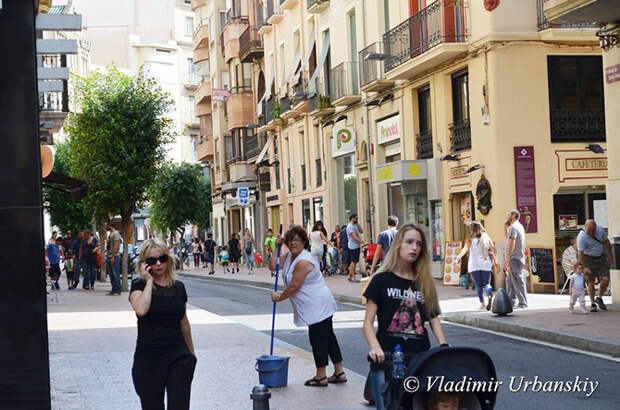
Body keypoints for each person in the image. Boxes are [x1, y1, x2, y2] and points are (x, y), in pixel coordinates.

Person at [363, 224, 447, 409]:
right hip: (387, 358)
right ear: (398, 244)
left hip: (419, 359)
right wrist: (375, 348)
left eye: (418, 244)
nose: (414, 247)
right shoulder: (381, 280)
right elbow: (368, 323)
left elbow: (433, 318)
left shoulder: (424, 281)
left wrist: (443, 346)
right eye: (409, 242)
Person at [270, 226, 346, 387]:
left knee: (318, 339)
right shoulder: (289, 255)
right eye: (290, 240)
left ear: (304, 242)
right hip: (313, 305)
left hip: (318, 304)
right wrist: (277, 247)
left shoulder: (304, 260)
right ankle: (339, 372)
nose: (293, 243)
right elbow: (272, 266)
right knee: (328, 337)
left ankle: (321, 376)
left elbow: (294, 286)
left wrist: (279, 297)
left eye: (297, 240)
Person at [129, 239, 196, 410]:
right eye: (152, 261)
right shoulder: (139, 285)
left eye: (162, 258)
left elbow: (184, 322)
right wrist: (149, 281)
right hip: (148, 360)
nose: (158, 264)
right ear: (144, 263)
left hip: (178, 357)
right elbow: (141, 310)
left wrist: (191, 355)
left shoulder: (179, 287)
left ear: (169, 258)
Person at [455, 221, 496, 310]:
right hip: (486, 263)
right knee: (487, 284)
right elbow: (493, 248)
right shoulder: (486, 236)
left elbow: (465, 249)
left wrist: (458, 257)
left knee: (478, 285)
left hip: (474, 265)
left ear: (471, 229)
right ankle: (489, 295)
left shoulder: (470, 238)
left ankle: (483, 304)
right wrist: (493, 259)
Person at [577, 219, 612, 312]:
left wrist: (610, 255)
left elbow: (606, 242)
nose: (592, 233)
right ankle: (592, 303)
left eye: (593, 230)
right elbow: (580, 254)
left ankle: (599, 298)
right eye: (589, 231)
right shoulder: (581, 237)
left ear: (596, 227)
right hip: (588, 259)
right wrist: (583, 268)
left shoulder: (600, 230)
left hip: (601, 257)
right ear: (585, 228)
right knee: (590, 281)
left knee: (606, 279)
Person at [503, 210, 528, 308]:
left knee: (517, 281)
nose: (507, 216)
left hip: (514, 258)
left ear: (513, 216)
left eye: (508, 214)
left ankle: (523, 303)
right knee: (510, 282)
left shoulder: (514, 227)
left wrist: (507, 259)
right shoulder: (518, 226)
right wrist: (505, 228)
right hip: (516, 257)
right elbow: (509, 240)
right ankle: (510, 302)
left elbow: (511, 244)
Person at [347, 214, 366, 282]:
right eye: (356, 218)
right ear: (352, 218)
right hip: (353, 246)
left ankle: (350, 276)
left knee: (354, 261)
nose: (357, 220)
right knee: (353, 262)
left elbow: (361, 231)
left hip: (356, 246)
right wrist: (363, 242)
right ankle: (353, 277)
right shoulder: (350, 226)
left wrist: (358, 224)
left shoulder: (355, 225)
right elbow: (354, 237)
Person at [105, 222, 122, 296]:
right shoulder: (110, 234)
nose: (106, 226)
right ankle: (113, 289)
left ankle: (118, 290)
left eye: (107, 225)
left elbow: (116, 246)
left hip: (114, 256)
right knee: (111, 274)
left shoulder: (116, 234)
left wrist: (113, 256)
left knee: (115, 274)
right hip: (109, 256)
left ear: (110, 225)